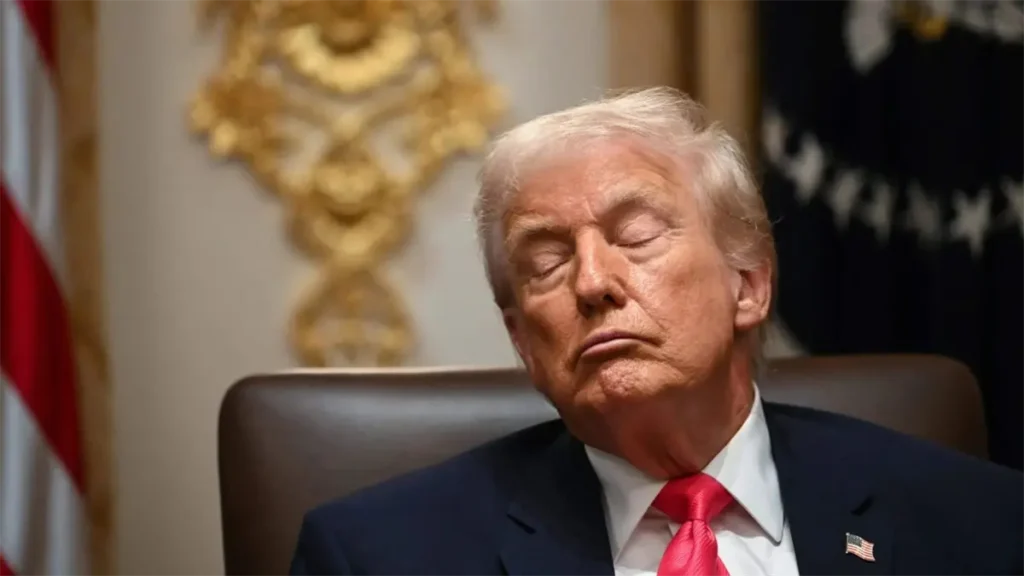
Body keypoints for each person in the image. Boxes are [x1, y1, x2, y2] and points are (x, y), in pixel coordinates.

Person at [289, 88, 1024, 576]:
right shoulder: (376, 556)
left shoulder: (982, 522)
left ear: (749, 284)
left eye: (636, 236)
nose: (591, 282)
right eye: (546, 263)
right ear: (521, 340)